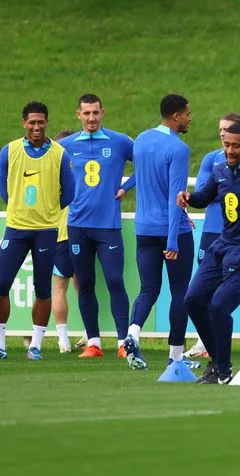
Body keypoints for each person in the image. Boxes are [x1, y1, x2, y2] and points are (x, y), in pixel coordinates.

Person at [180, 123, 240, 384]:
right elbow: (203, 197)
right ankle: (217, 363)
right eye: (226, 145)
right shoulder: (219, 170)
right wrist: (188, 197)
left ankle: (222, 369)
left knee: (220, 304)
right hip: (225, 244)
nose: (230, 150)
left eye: (236, 146)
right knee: (194, 299)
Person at [122, 94, 197, 371]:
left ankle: (132, 333)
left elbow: (146, 181)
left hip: (144, 228)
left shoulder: (141, 139)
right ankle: (176, 357)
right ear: (176, 116)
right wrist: (173, 239)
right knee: (180, 293)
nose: (190, 118)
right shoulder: (178, 148)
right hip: (170, 229)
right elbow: (175, 195)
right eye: (188, 113)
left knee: (148, 289)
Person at [58, 94, 135, 359]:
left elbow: (147, 163)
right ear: (78, 115)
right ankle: (93, 343)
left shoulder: (120, 141)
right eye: (86, 113)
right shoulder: (64, 145)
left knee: (115, 280)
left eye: (95, 113)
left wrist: (126, 186)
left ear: (103, 113)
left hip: (108, 226)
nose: (91, 118)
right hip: (77, 226)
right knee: (86, 284)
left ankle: (125, 342)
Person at [0, 101, 75, 360]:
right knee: (1, 282)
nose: (36, 127)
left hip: (46, 229)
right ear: (24, 123)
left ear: (46, 123)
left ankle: (36, 344)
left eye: (40, 122)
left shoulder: (59, 154)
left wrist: (49, 210)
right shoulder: (8, 151)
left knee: (43, 287)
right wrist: (17, 207)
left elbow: (70, 192)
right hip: (16, 228)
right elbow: (3, 187)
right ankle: (1, 343)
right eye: (31, 122)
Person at [51, 129, 78, 353]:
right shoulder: (82, 166)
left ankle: (63, 340)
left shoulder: (50, 169)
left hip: (59, 232)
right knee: (83, 286)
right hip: (81, 230)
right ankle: (91, 335)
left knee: (59, 287)